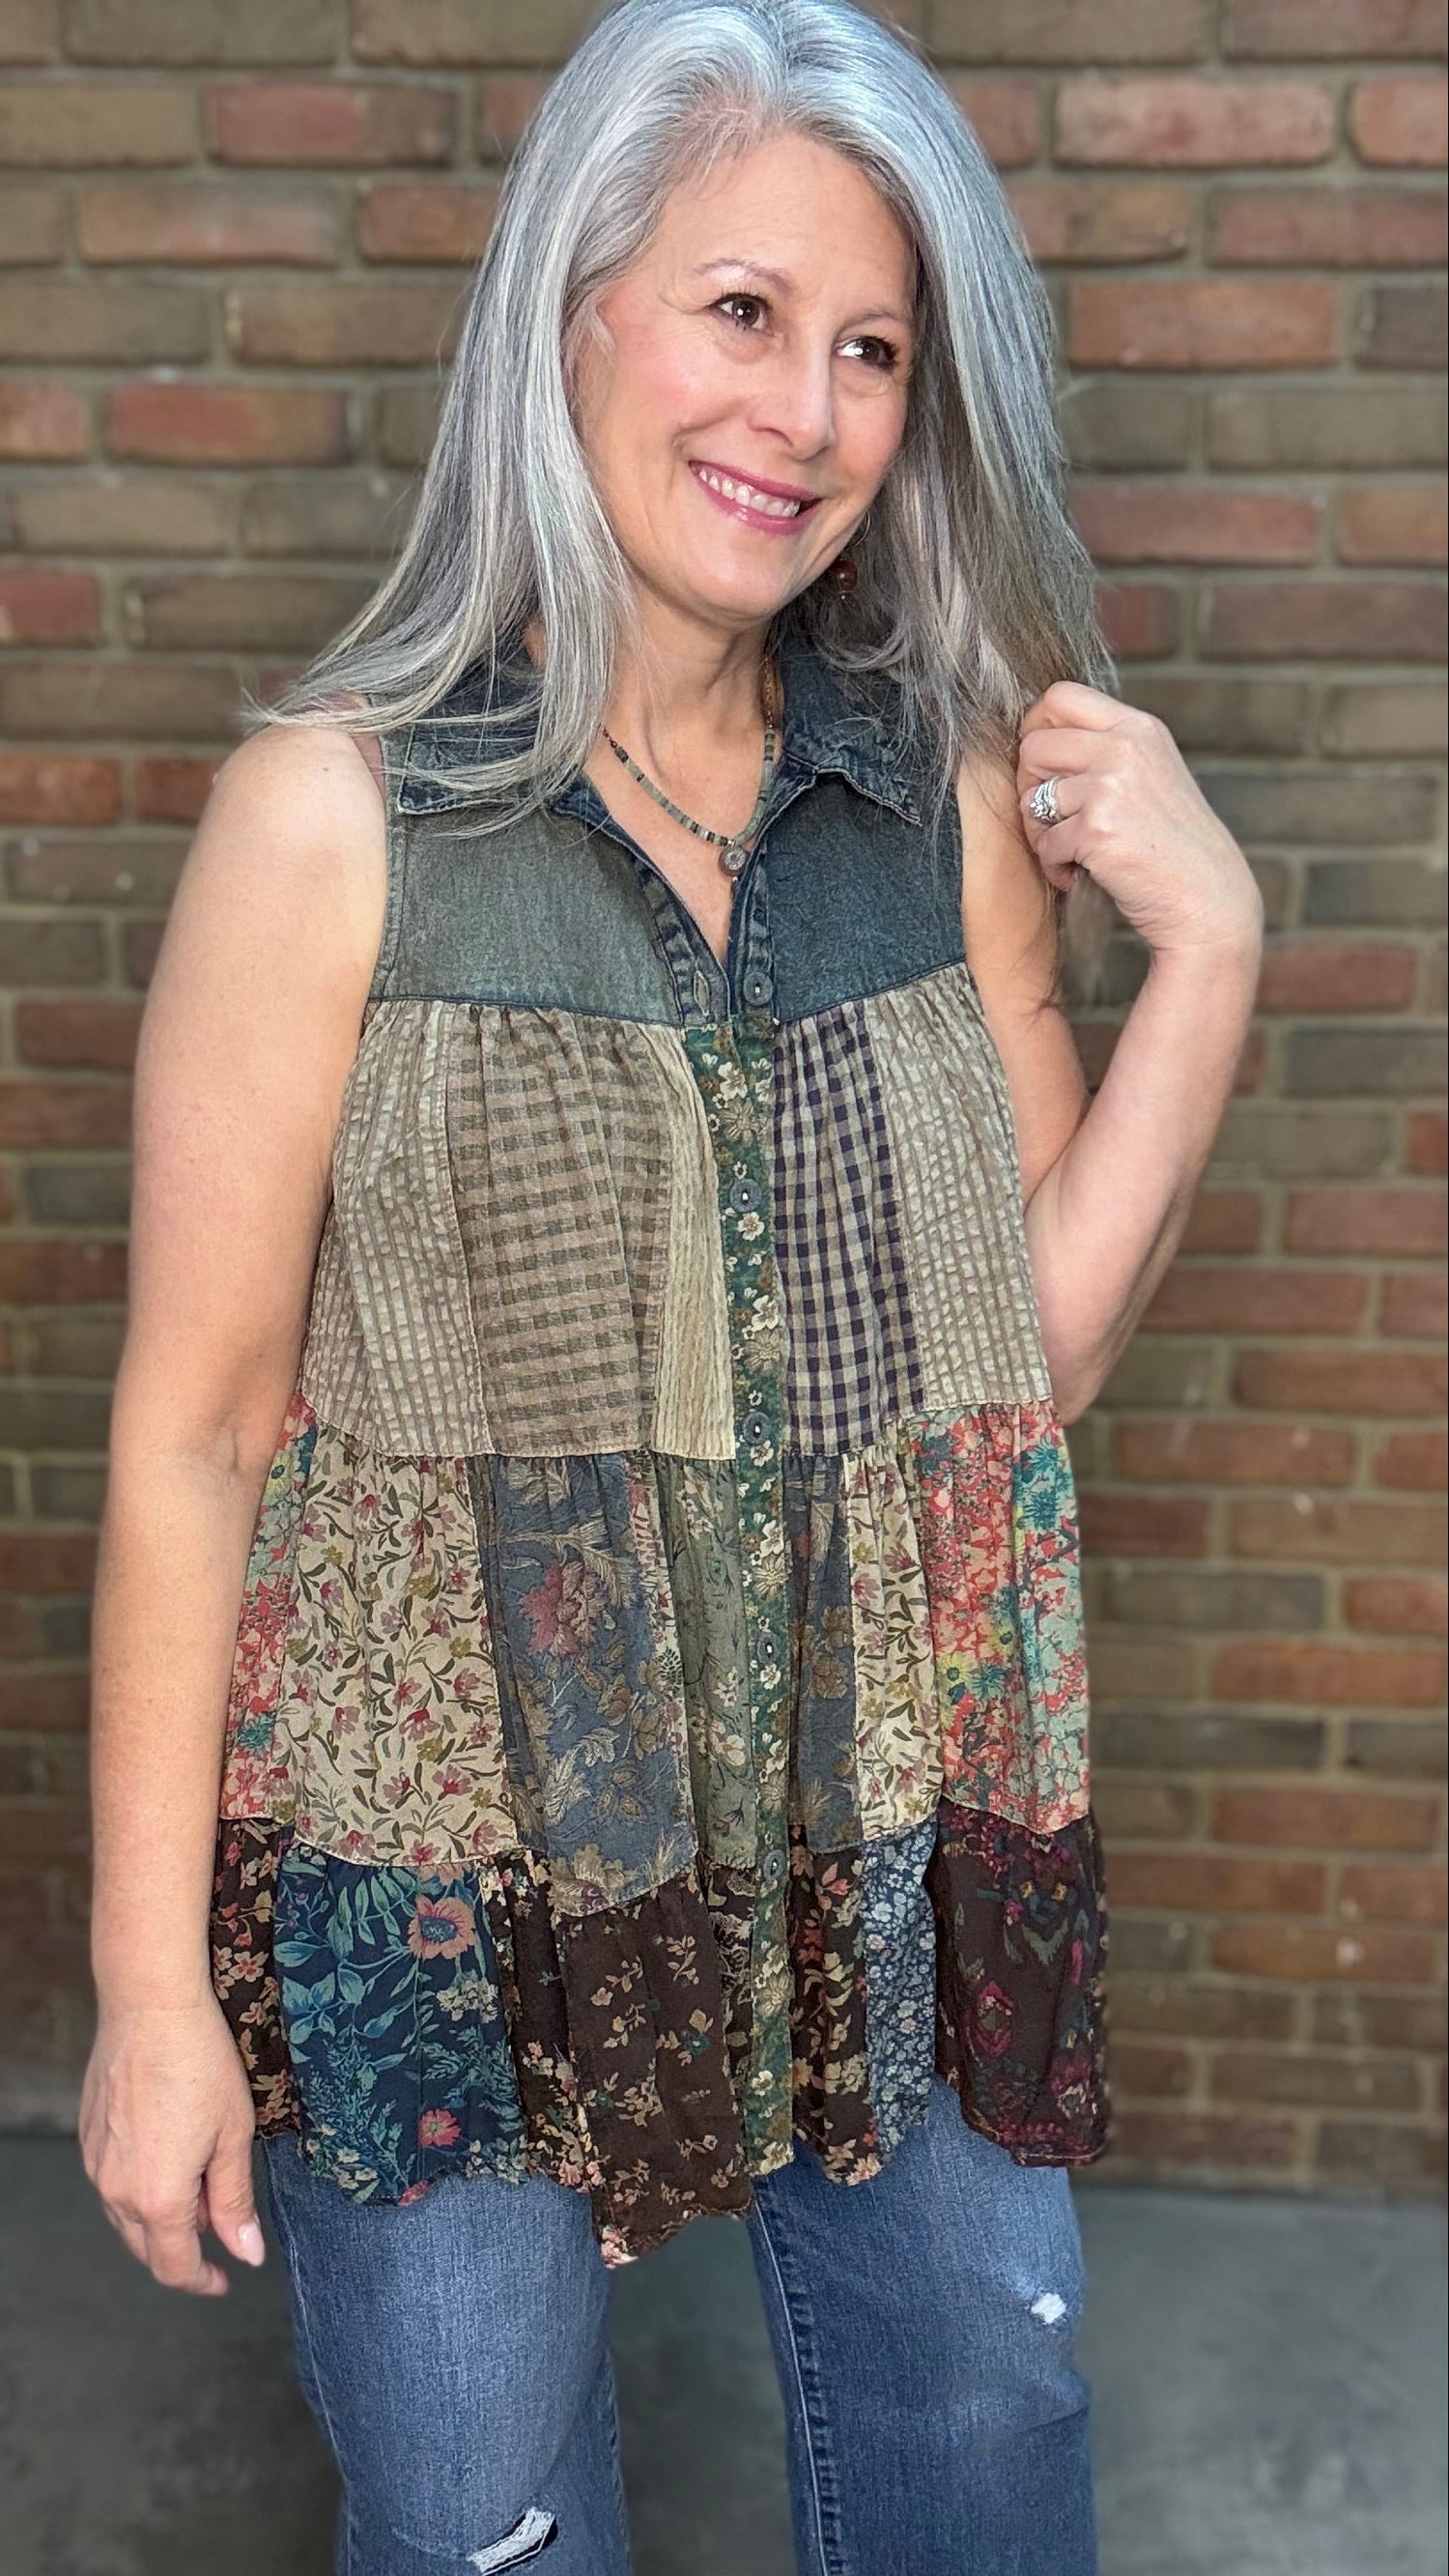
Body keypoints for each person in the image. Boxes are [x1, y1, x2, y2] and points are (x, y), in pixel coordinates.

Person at [76, 2, 1264, 2571]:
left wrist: (1209, 953)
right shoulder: (331, 824)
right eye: (741, 311)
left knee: (983, 2464)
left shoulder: (929, 793)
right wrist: (154, 1995)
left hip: (887, 1818)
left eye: (867, 350)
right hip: (436, 1868)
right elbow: (194, 1433)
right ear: (573, 306)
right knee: (486, 2522)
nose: (805, 414)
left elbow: (1020, 1369)